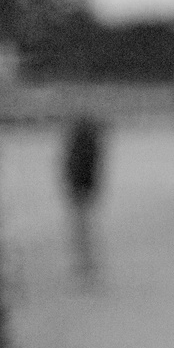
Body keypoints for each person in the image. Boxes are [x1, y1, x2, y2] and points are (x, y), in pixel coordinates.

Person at [60, 113, 106, 289]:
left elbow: (76, 168)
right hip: (83, 190)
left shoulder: (83, 141)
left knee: (82, 230)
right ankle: (86, 265)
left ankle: (86, 266)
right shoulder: (90, 142)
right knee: (83, 230)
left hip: (80, 191)